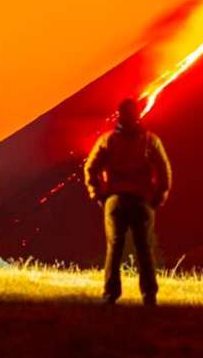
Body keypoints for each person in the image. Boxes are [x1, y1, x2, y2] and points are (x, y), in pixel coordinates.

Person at [83, 98, 172, 306]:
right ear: (138, 115)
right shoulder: (150, 141)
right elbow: (164, 171)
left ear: (119, 116)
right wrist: (158, 197)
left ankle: (110, 294)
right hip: (142, 201)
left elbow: (90, 168)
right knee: (144, 249)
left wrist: (97, 194)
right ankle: (149, 294)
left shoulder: (108, 141)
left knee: (114, 248)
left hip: (116, 200)